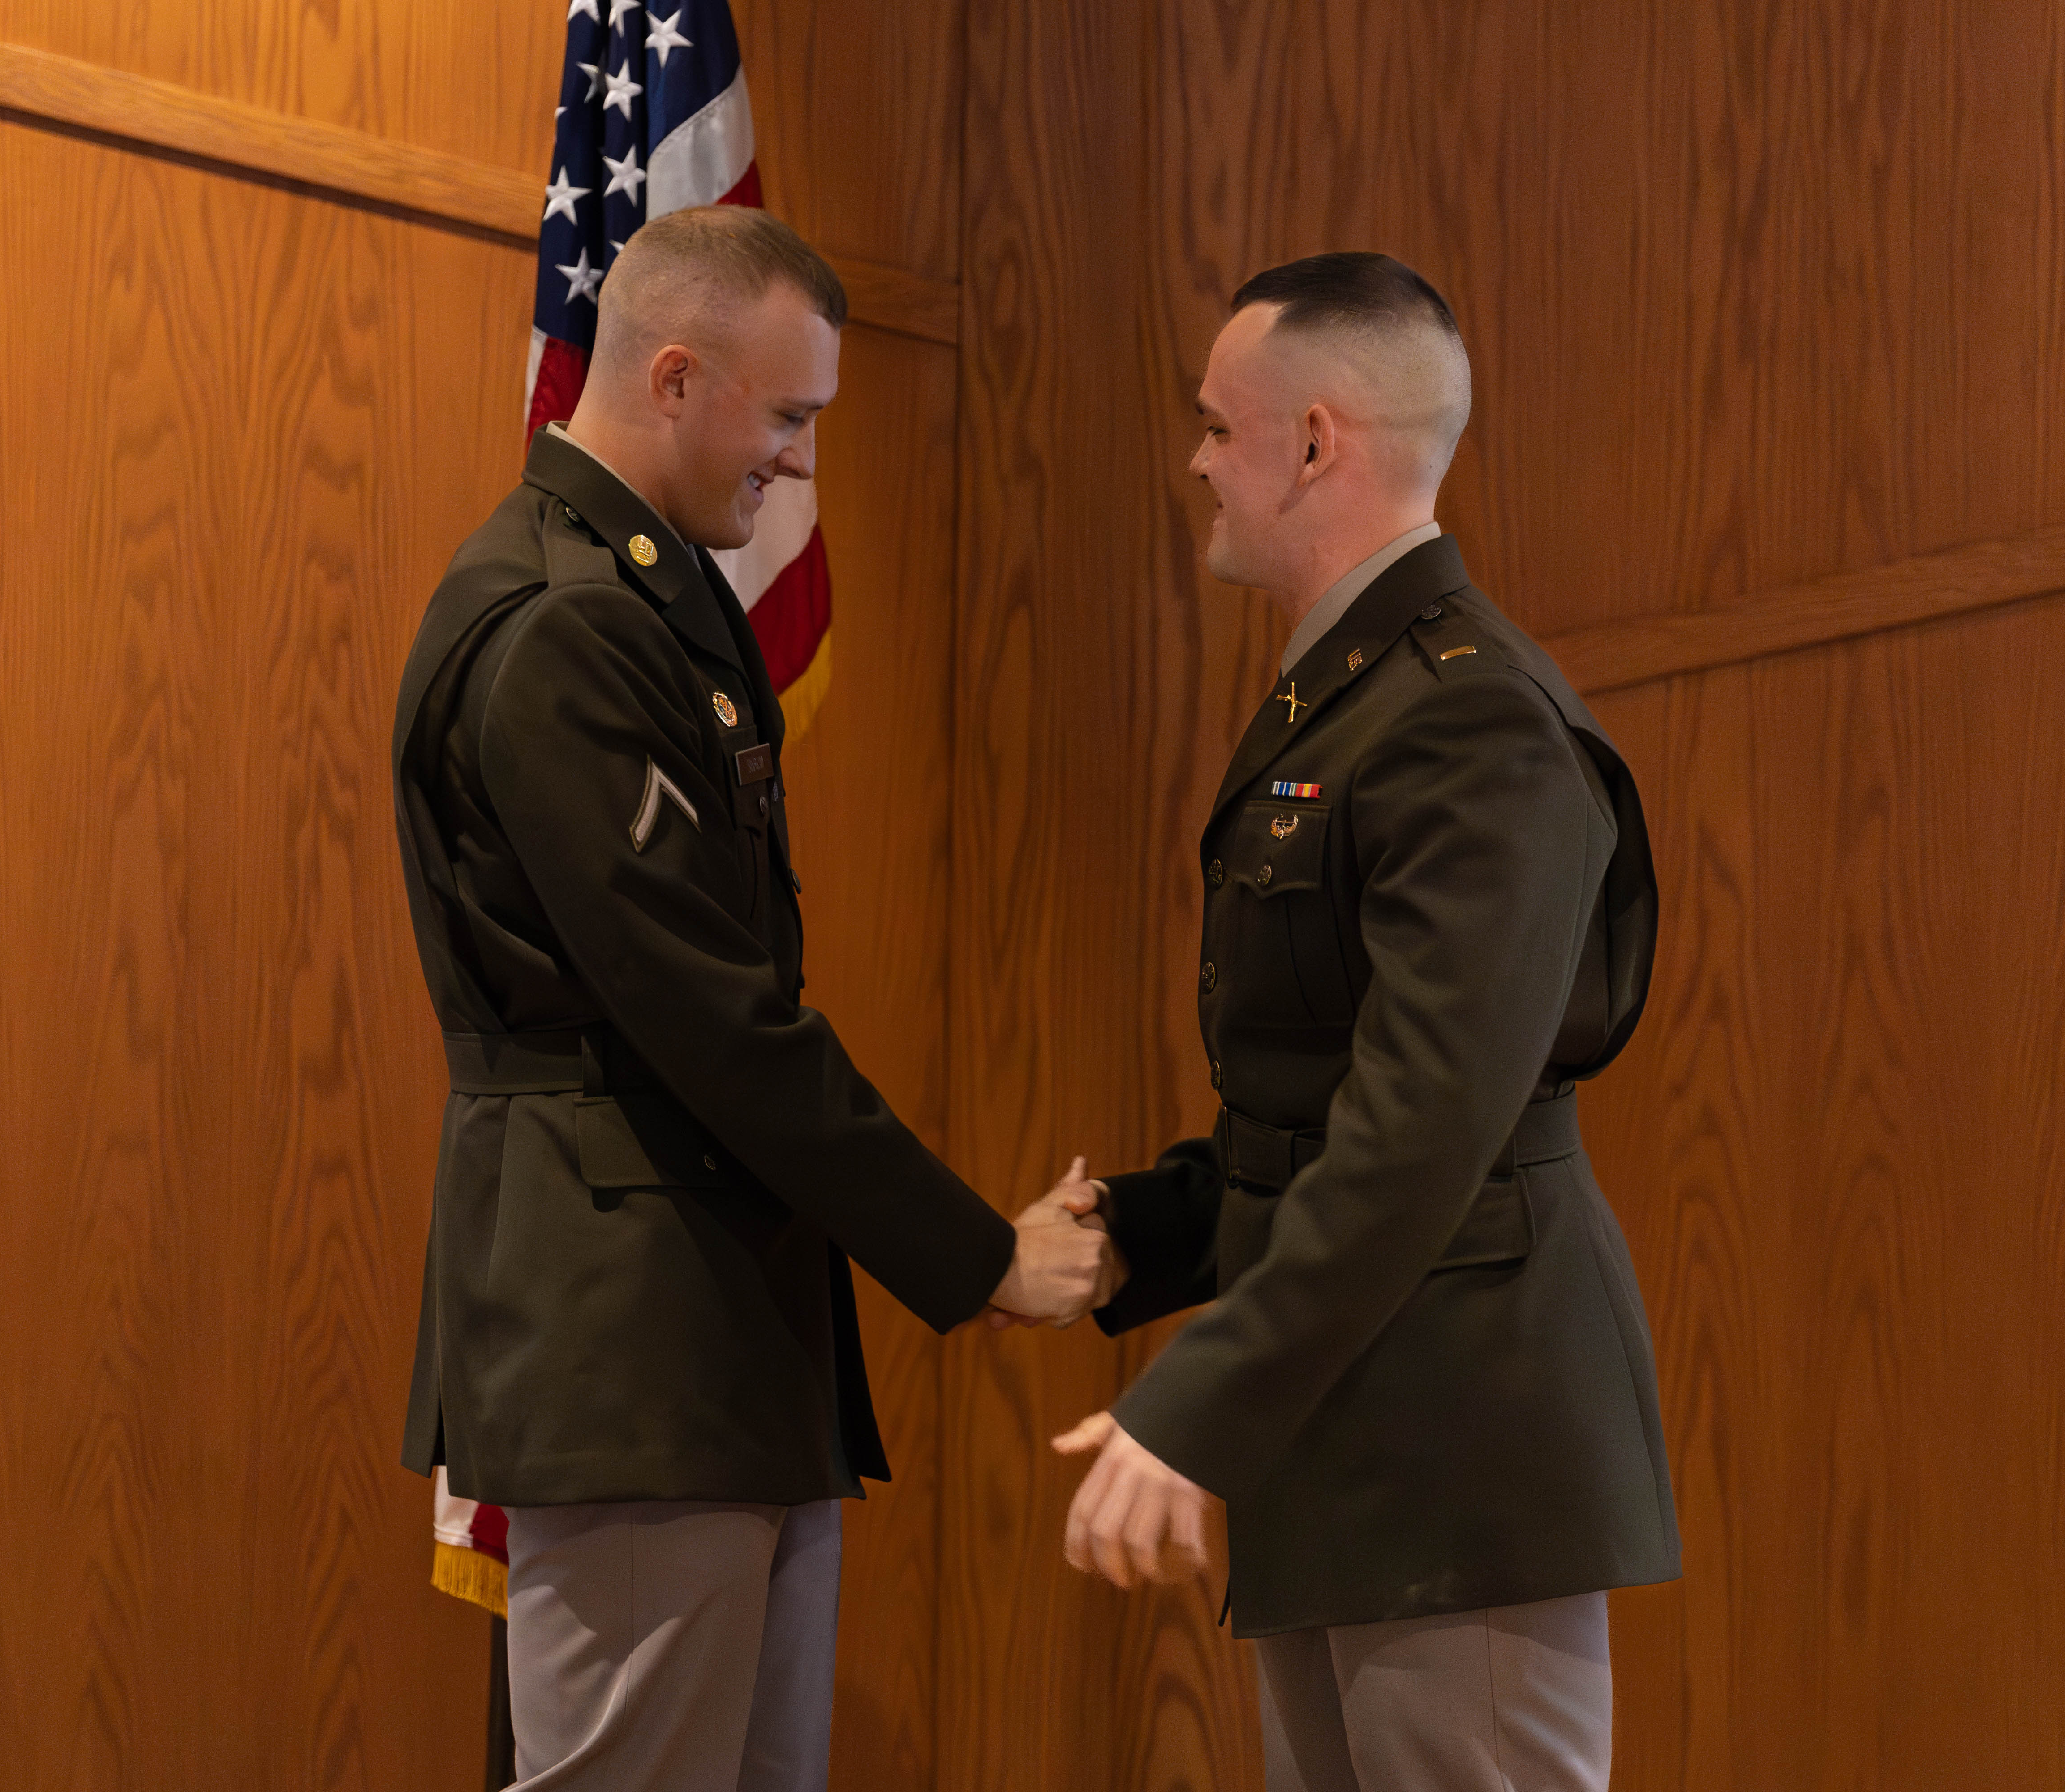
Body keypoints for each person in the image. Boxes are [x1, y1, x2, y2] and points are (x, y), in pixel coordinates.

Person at [387, 205, 1111, 1792]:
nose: (794, 463)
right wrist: (979, 1253)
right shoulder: (569, 623)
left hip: (711, 1324)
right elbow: (713, 1014)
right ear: (671, 377)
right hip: (633, 1337)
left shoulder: (650, 598)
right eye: (787, 416)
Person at [1049, 254, 1681, 1791]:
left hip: (1458, 1438)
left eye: (1216, 424)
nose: (1197, 458)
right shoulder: (1350, 697)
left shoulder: (1465, 714)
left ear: (1315, 442)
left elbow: (1424, 1130)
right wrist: (1147, 1229)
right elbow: (1329, 1108)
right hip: (1354, 1421)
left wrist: (1193, 1403)